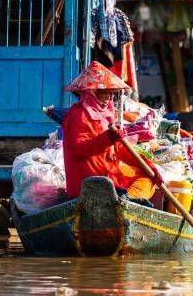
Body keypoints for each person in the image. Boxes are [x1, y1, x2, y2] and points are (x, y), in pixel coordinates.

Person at [61, 61, 162, 201]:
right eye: (104, 93)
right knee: (144, 181)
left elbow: (120, 148)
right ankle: (124, 202)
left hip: (107, 175)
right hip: (89, 184)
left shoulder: (105, 116)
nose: (108, 97)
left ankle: (124, 202)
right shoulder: (79, 115)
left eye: (111, 93)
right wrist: (106, 138)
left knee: (148, 176)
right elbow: (76, 150)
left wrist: (148, 165)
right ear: (92, 92)